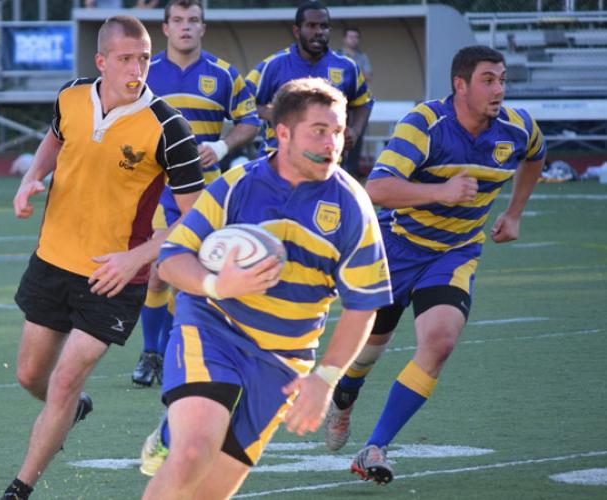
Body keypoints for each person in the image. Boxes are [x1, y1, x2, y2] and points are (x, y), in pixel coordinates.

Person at [140, 77, 392, 498]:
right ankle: (179, 433)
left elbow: (362, 307)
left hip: (282, 359)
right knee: (191, 454)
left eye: (338, 131)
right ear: (283, 133)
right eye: (319, 131)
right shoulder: (237, 185)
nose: (333, 143)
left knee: (209, 492)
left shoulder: (353, 206)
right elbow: (171, 259)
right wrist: (216, 283)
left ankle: (172, 429)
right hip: (214, 329)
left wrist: (325, 379)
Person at [323, 45, 547, 485]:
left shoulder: (517, 129)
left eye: (502, 79)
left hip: (454, 254)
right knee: (371, 347)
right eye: (488, 80)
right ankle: (346, 395)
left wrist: (516, 211)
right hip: (397, 247)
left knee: (440, 341)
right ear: (459, 85)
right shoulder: (425, 124)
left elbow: (537, 154)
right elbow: (378, 188)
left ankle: (375, 448)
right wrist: (440, 193)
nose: (499, 89)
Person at [3, 15, 204, 500]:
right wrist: (31, 177)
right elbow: (55, 138)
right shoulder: (72, 95)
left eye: (144, 58)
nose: (138, 69)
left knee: (66, 378)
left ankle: (18, 489)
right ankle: (71, 409)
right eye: (126, 59)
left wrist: (137, 258)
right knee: (33, 377)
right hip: (51, 260)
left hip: (114, 279)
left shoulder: (169, 128)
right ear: (101, 62)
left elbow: (198, 219)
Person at [132, 0, 260, 387]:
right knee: (158, 272)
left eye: (193, 20)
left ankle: (175, 350)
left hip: (206, 192)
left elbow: (250, 121)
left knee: (191, 273)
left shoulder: (224, 74)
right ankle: (150, 352)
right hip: (158, 188)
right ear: (165, 28)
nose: (185, 27)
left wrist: (222, 148)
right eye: (178, 20)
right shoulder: (145, 74)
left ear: (203, 27)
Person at [246, 1, 372, 168]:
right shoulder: (273, 65)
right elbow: (244, 102)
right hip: (278, 166)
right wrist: (276, 113)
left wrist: (355, 130)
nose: (319, 31)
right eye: (311, 26)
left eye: (324, 26)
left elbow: (364, 102)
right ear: (297, 31)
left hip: (327, 167)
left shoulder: (347, 67)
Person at [336, 26, 372, 179]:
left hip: (357, 102)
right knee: (339, 132)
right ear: (345, 39)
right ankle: (339, 166)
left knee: (357, 134)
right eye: (351, 37)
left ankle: (353, 169)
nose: (353, 40)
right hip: (340, 101)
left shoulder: (362, 57)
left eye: (356, 37)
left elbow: (367, 75)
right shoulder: (337, 56)